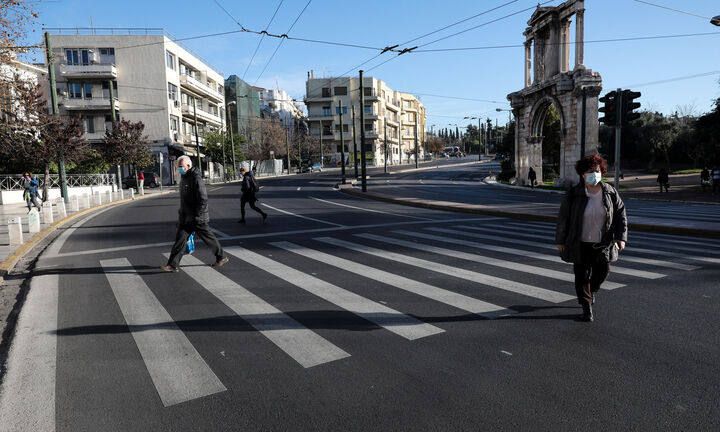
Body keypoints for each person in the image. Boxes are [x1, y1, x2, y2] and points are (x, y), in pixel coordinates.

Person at [555, 154, 627, 322]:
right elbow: (563, 218)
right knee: (581, 276)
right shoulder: (574, 194)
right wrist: (560, 240)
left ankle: (592, 289)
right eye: (590, 171)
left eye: (597, 171)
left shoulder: (610, 192)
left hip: (603, 243)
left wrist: (620, 237)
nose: (595, 174)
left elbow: (620, 215)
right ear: (582, 174)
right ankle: (586, 308)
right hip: (579, 242)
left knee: (603, 271)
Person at [161, 156, 228, 272]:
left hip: (197, 218)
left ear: (188, 166)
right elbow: (184, 199)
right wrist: (181, 215)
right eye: (178, 167)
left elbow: (203, 199)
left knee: (208, 238)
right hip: (187, 217)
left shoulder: (196, 178)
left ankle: (221, 256)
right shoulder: (184, 178)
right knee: (180, 240)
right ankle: (173, 265)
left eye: (180, 167)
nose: (179, 169)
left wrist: (197, 215)